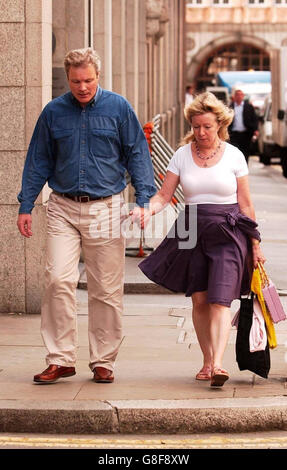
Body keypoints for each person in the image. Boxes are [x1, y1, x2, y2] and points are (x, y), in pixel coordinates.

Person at [17, 47, 156, 384]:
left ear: (98, 76)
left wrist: (144, 199)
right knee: (57, 280)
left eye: (88, 80)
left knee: (106, 288)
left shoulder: (118, 108)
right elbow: (39, 159)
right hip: (62, 206)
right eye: (76, 81)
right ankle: (61, 358)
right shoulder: (53, 112)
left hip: (106, 207)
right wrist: (26, 204)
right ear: (68, 78)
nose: (82, 87)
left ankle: (103, 360)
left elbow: (137, 153)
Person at [133, 92, 266, 387]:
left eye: (206, 126)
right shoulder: (181, 155)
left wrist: (255, 245)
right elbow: (164, 196)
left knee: (221, 299)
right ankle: (207, 360)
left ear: (220, 124)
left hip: (228, 231)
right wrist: (147, 210)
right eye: (195, 127)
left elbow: (246, 204)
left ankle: (218, 363)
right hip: (190, 227)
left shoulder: (234, 155)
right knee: (200, 299)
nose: (201, 133)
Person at [229, 88, 258, 163]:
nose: (239, 97)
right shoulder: (230, 107)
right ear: (234, 96)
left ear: (243, 96)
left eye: (240, 95)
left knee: (245, 152)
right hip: (234, 134)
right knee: (234, 152)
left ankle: (244, 169)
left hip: (246, 134)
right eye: (237, 95)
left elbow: (254, 118)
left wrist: (255, 130)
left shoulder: (248, 106)